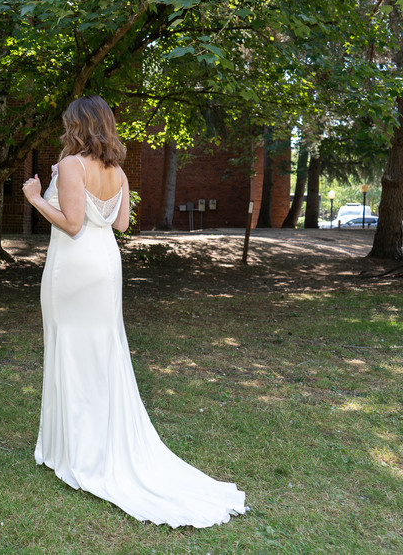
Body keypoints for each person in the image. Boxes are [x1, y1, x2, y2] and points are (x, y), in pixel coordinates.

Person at [22, 95, 246, 528]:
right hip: (105, 262)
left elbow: (70, 224)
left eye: (70, 124)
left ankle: (73, 450)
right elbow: (121, 224)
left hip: (75, 266)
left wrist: (34, 196)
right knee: (102, 351)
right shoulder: (118, 170)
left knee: (70, 347)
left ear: (79, 126)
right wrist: (61, 185)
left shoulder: (72, 164)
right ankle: (96, 439)